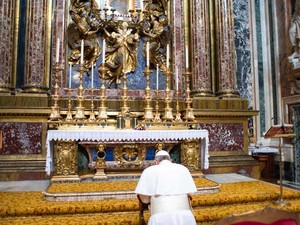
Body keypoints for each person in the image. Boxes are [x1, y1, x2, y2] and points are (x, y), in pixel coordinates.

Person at [134, 150, 197, 225]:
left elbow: (144, 200)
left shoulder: (149, 171)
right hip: (185, 216)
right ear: (170, 160)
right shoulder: (183, 169)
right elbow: (190, 193)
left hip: (159, 217)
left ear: (156, 162)